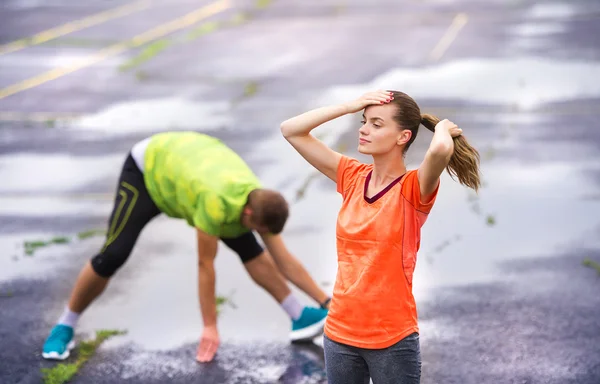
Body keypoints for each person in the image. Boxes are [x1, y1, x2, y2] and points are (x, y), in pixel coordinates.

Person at [42, 131, 331, 363]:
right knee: (113, 255)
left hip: (189, 168)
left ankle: (299, 315)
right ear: (248, 215)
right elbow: (205, 265)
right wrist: (210, 327)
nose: (263, 234)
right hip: (148, 172)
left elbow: (282, 258)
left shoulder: (259, 202)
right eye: (259, 228)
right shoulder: (215, 204)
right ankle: (64, 325)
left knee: (251, 251)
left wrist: (328, 304)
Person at [280, 90, 481, 383]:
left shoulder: (414, 189)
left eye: (376, 124)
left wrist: (441, 129)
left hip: (391, 339)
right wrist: (349, 106)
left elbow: (438, 151)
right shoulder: (351, 176)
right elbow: (291, 130)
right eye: (364, 121)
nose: (363, 129)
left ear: (403, 137)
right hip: (339, 334)